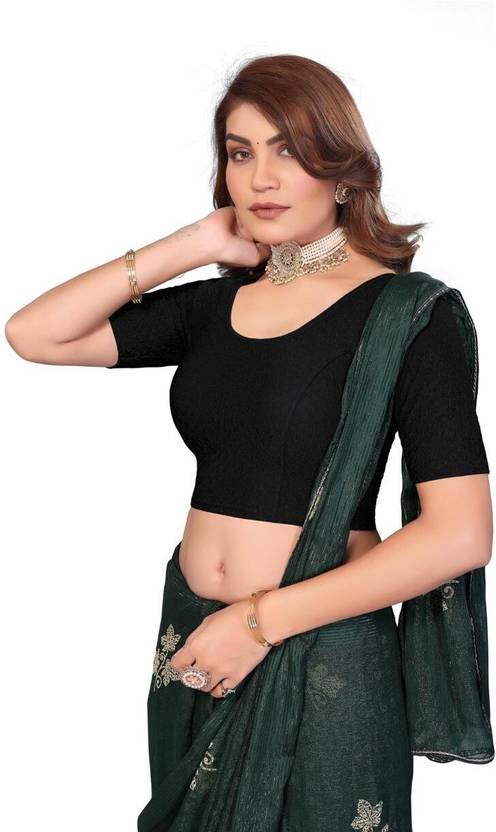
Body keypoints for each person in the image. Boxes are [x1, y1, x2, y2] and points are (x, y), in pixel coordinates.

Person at [5, 54, 493, 831]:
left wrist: (260, 622)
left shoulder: (408, 317)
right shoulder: (215, 307)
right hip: (194, 642)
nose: (261, 177)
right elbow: (35, 334)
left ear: (344, 172)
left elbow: (461, 534)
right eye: (240, 153)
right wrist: (193, 243)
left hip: (320, 652)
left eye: (289, 150)